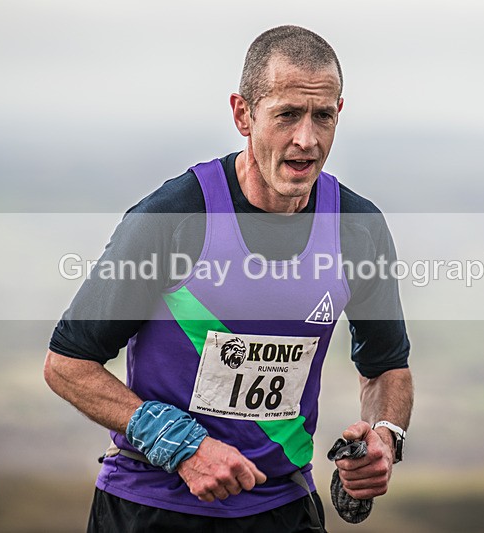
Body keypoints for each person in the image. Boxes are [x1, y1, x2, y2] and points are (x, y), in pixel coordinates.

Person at [44, 25, 413, 532]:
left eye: (322, 116)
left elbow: (386, 368)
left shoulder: (357, 229)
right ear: (243, 113)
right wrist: (178, 443)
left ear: (338, 114)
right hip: (151, 508)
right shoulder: (173, 218)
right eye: (286, 115)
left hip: (283, 508)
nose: (306, 138)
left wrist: (384, 435)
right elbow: (66, 364)